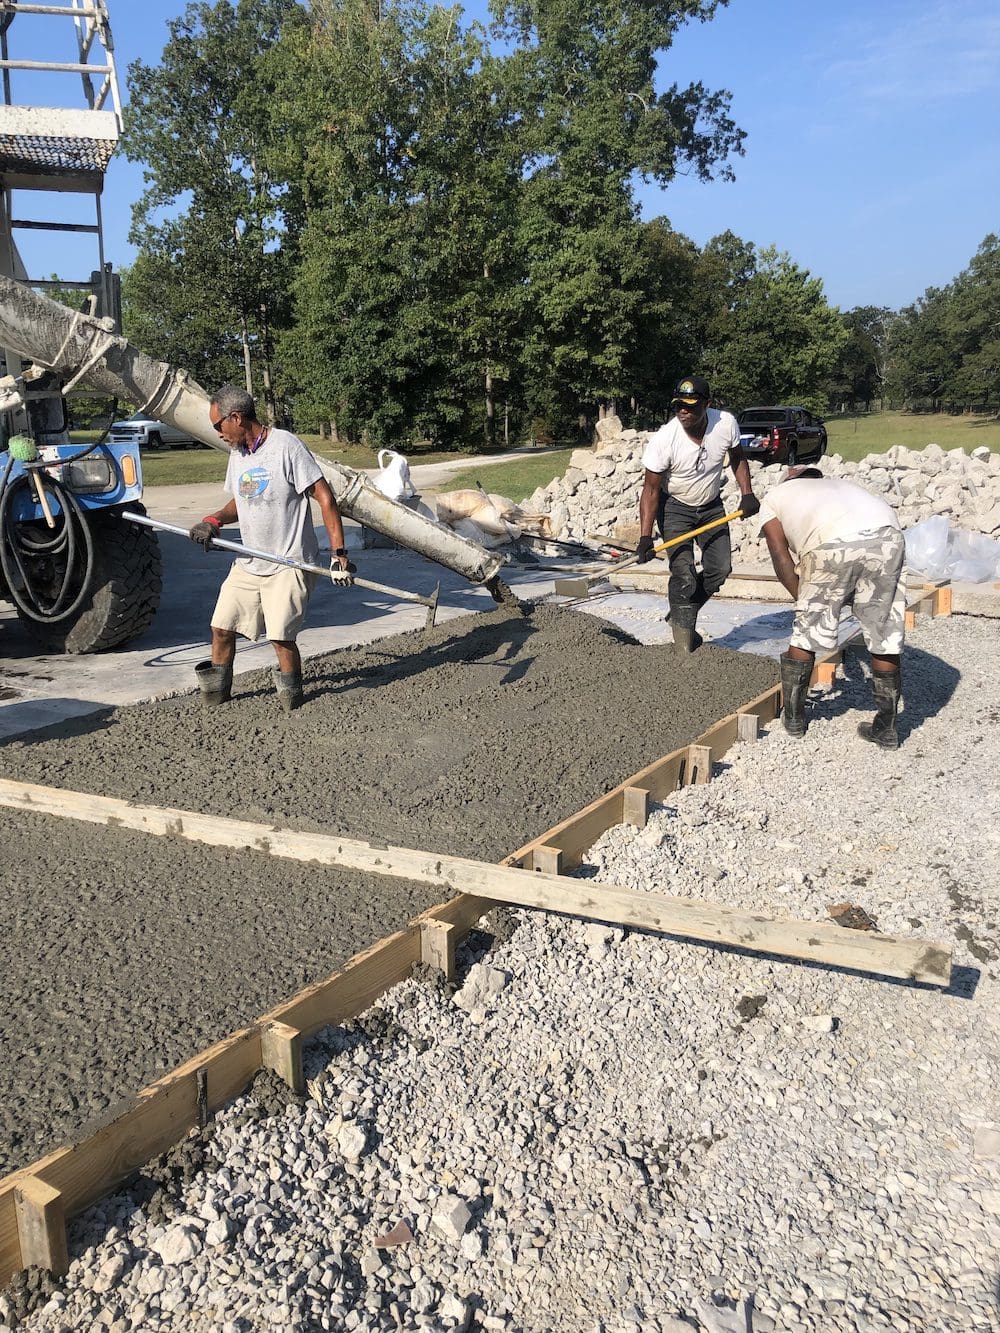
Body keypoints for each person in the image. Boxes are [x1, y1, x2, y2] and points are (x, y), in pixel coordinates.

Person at [188, 384, 353, 711]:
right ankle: (216, 700)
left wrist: (339, 554)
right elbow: (241, 500)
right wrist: (214, 520)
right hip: (250, 562)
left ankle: (293, 703)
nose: (218, 433)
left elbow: (324, 497)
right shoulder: (238, 454)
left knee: (280, 637)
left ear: (236, 418)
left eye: (218, 425)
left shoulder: (286, 446)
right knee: (221, 628)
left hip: (289, 563)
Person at [757, 466, 906, 749]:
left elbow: (780, 556)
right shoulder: (840, 486)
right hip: (888, 536)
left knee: (806, 633)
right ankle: (887, 729)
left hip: (830, 542)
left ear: (788, 481)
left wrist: (804, 602)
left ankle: (794, 720)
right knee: (884, 631)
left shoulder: (775, 497)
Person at [637, 375, 759, 652]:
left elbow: (737, 457)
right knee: (684, 575)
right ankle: (684, 648)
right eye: (679, 405)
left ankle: (681, 612)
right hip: (674, 507)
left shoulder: (725, 424)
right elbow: (650, 490)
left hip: (711, 506)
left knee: (720, 569)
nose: (683, 411)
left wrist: (747, 493)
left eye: (690, 406)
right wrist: (645, 537)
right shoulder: (665, 440)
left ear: (707, 404)